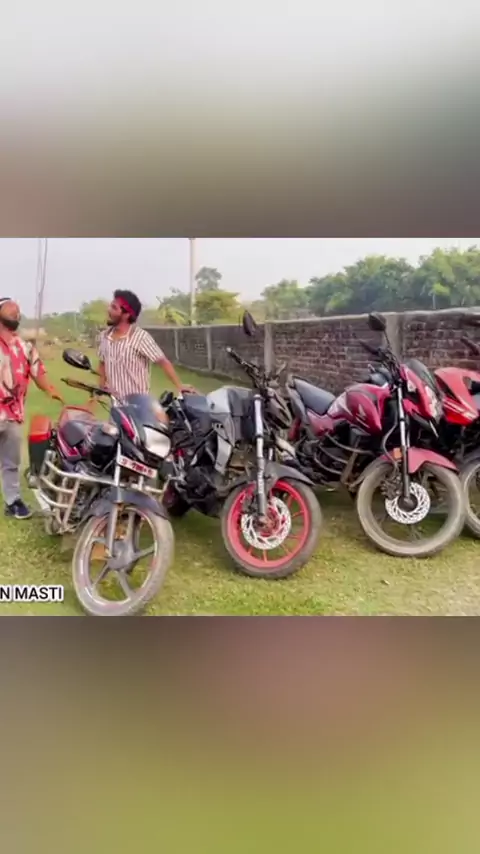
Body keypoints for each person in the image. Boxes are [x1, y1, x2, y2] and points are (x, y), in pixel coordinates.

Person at [0, 297, 63, 519]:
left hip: (13, 414)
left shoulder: (25, 347)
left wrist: (50, 389)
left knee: (11, 462)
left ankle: (13, 501)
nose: (16, 312)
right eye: (10, 309)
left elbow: (38, 372)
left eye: (18, 310)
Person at [98, 290, 195, 402]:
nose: (108, 310)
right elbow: (102, 363)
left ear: (126, 314)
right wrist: (101, 387)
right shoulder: (105, 336)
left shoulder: (140, 337)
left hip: (140, 405)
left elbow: (162, 361)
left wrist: (180, 386)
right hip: (116, 406)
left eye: (114, 308)